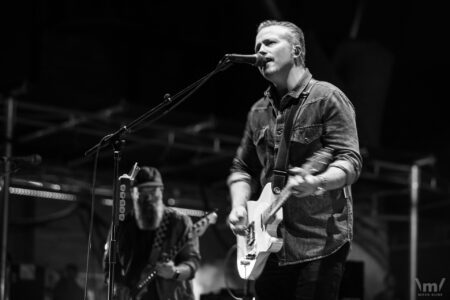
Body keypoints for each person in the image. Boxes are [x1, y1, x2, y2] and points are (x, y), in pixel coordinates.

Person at [227, 20, 362, 300]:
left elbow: (349, 159)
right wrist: (239, 206)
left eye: (270, 43)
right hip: (267, 248)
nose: (261, 50)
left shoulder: (327, 98)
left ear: (297, 50)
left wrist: (318, 182)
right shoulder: (258, 111)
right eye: (257, 46)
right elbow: (241, 168)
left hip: (318, 244)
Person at [103, 166, 201, 300]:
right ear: (132, 193)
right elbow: (109, 264)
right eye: (142, 192)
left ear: (161, 192)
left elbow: (192, 262)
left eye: (153, 191)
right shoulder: (121, 226)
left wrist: (175, 272)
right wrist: (116, 286)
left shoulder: (179, 222)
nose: (148, 197)